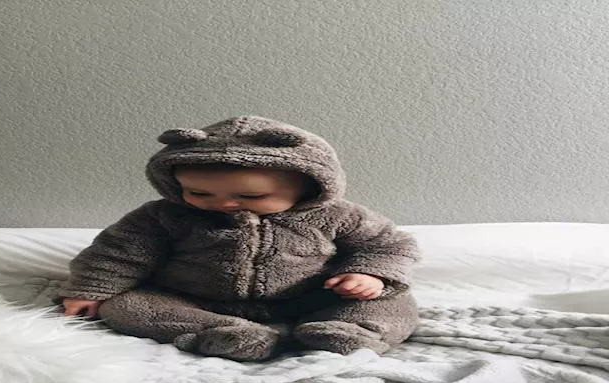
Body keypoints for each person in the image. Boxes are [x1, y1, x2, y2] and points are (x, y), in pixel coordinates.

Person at [58, 116, 420, 361]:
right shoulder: (163, 215)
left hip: (310, 298)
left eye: (250, 196)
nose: (224, 204)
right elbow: (117, 252)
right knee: (124, 306)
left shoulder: (339, 215)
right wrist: (90, 290)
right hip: (194, 300)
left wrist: (370, 274)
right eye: (199, 193)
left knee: (393, 300)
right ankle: (224, 334)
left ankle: (350, 331)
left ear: (311, 185)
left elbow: (388, 244)